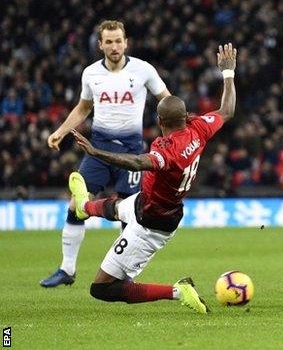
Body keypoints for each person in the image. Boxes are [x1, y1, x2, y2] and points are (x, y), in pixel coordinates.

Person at [64, 43, 236, 313]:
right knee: (117, 206)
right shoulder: (199, 128)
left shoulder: (168, 152)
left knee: (102, 288)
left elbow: (136, 161)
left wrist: (96, 152)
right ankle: (85, 207)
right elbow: (226, 111)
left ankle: (178, 291)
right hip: (152, 205)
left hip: (150, 225)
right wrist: (228, 74)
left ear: (159, 119)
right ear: (185, 116)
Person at [40, 20, 172, 287]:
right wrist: (62, 131)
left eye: (118, 41)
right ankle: (67, 269)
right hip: (98, 150)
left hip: (132, 154)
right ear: (100, 45)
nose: (114, 46)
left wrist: (178, 136)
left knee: (132, 216)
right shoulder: (90, 74)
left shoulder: (144, 70)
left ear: (126, 42)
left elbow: (168, 102)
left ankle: (125, 276)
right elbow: (83, 107)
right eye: (108, 42)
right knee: (76, 205)